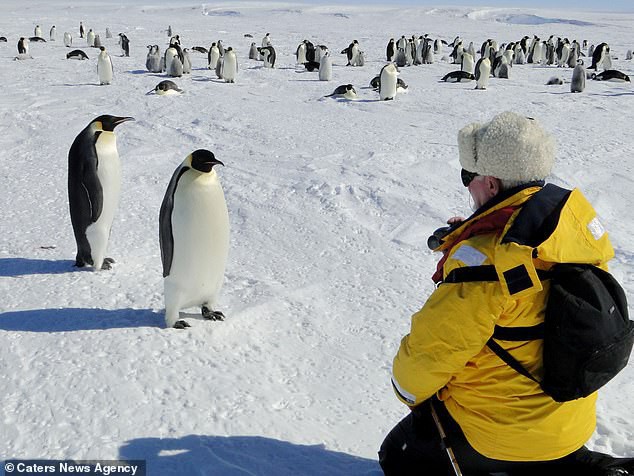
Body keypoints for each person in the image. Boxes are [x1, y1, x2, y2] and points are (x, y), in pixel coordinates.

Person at [379, 111, 633, 476]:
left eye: (469, 177)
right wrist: (475, 234)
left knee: (398, 457)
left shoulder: (484, 267)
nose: (467, 186)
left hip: (501, 434)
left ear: (492, 185)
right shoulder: (572, 237)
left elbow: (419, 367)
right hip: (568, 425)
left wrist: (407, 394)